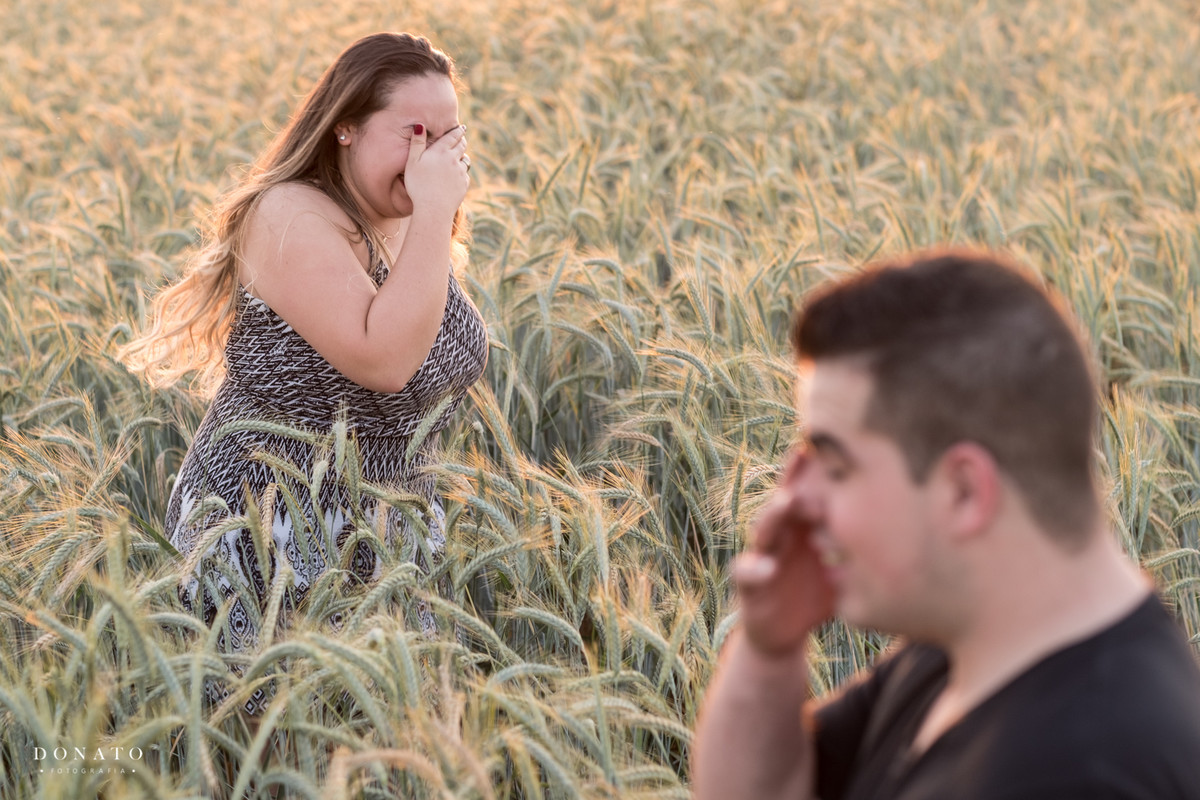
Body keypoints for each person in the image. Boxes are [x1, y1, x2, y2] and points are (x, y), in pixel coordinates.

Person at [692, 250, 1200, 799]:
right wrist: (772, 646)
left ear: (963, 491)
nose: (798, 498)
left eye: (836, 468)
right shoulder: (963, 651)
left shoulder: (1089, 773)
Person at [121, 32, 487, 711]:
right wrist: (436, 207)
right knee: (281, 743)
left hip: (387, 532)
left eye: (447, 137)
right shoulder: (289, 214)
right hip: (274, 532)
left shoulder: (405, 220)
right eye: (414, 133)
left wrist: (429, 214)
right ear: (344, 127)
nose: (433, 157)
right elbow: (383, 360)